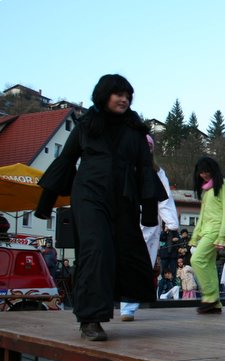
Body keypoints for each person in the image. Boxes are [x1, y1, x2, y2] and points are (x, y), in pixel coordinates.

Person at [35, 74, 164, 341]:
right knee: (96, 249)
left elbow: (145, 169)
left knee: (122, 253)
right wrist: (45, 204)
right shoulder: (86, 125)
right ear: (104, 95)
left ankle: (105, 308)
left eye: (128, 96)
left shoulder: (135, 130)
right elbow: (66, 160)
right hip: (89, 195)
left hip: (123, 199)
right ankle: (90, 319)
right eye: (119, 94)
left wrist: (150, 213)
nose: (124, 100)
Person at [121, 134, 180, 322]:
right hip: (129, 221)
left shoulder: (158, 172)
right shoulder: (126, 167)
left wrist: (171, 223)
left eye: (149, 147)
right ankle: (126, 305)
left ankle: (129, 306)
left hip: (150, 225)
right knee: (128, 263)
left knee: (144, 265)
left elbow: (164, 199)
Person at [189, 157, 225, 314]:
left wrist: (222, 235)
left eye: (206, 171)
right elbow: (202, 215)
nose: (204, 175)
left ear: (213, 170)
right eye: (201, 172)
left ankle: (210, 296)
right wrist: (195, 235)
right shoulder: (206, 190)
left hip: (215, 230)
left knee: (196, 259)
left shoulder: (222, 185)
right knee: (208, 264)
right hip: (206, 231)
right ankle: (215, 303)